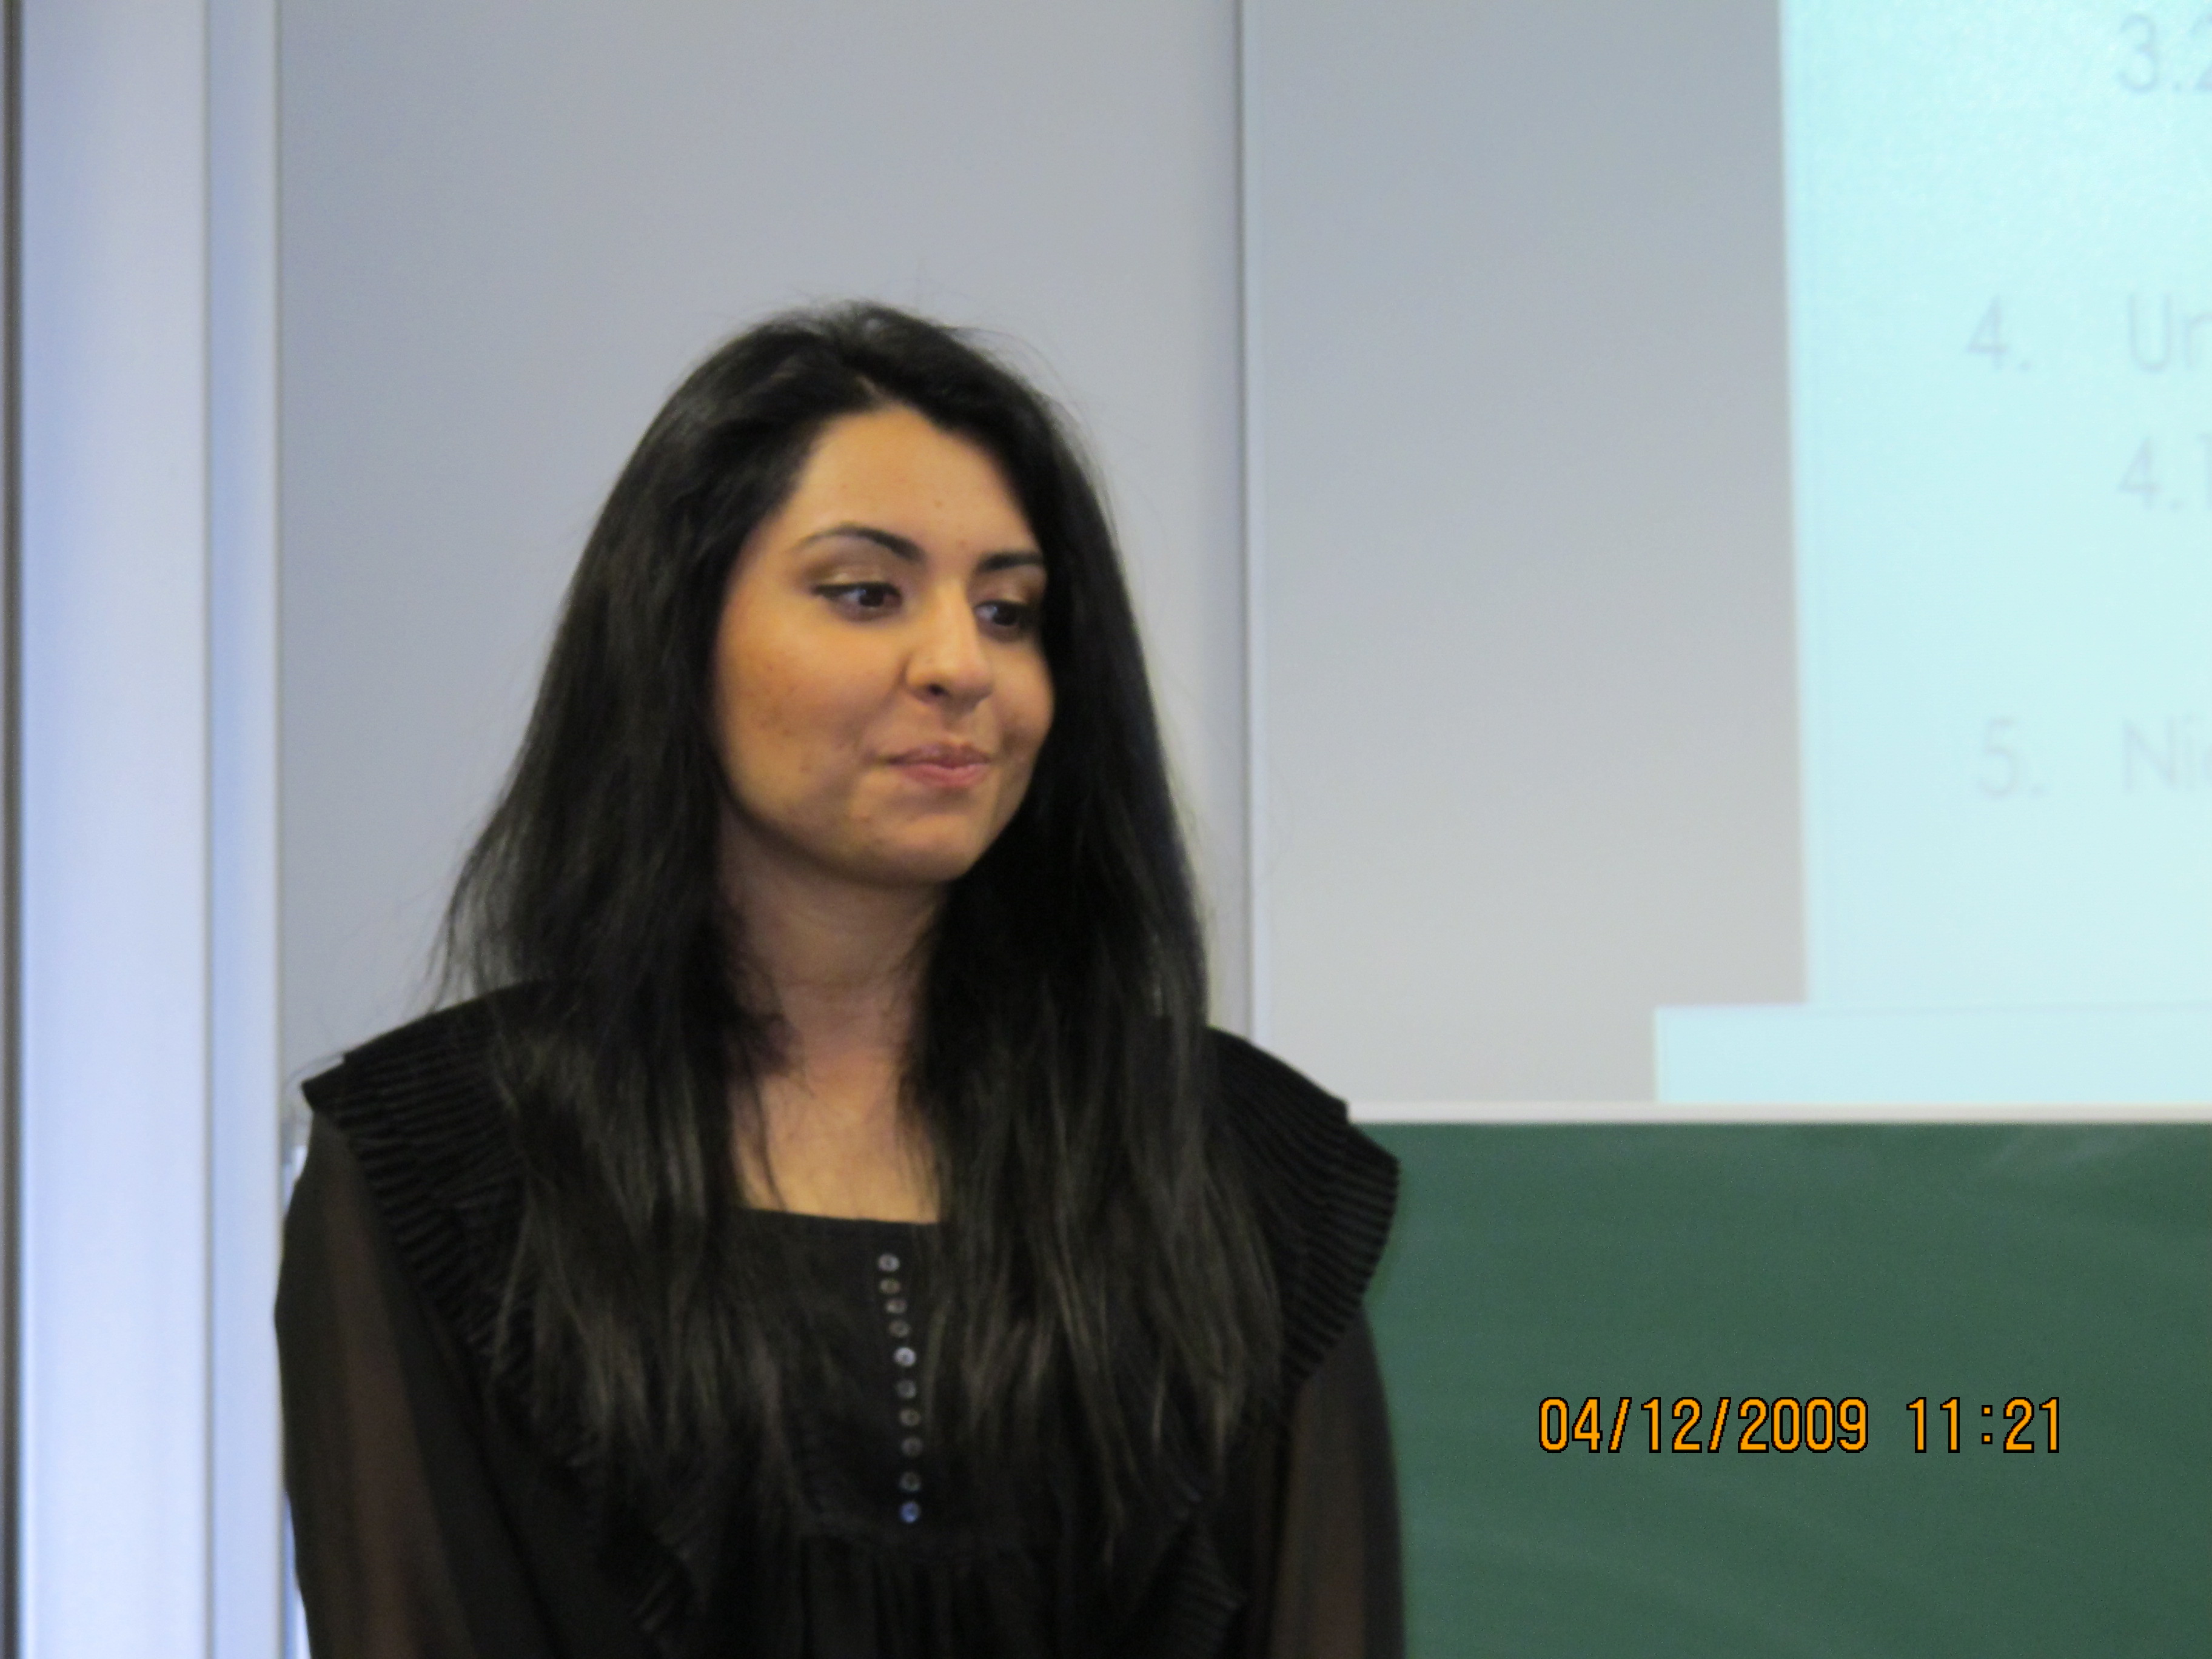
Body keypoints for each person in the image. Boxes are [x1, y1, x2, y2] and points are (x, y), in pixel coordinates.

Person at [276, 303, 1402, 1659]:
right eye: (866, 593)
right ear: (676, 633)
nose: (961, 665)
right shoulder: (438, 1169)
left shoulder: (1242, 1168)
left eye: (1010, 611)